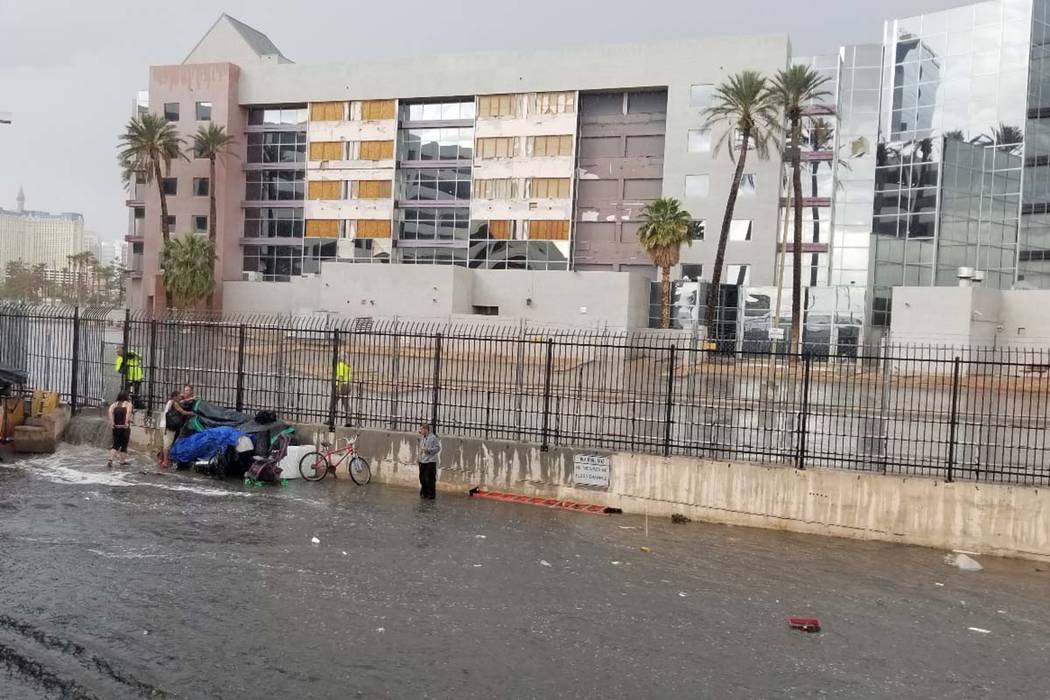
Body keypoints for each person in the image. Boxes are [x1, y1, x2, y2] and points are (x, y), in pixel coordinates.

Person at [107, 391, 133, 468]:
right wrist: (125, 423)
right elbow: (128, 413)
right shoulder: (128, 404)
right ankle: (122, 461)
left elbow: (110, 413)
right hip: (124, 427)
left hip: (116, 427)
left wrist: (113, 424)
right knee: (124, 445)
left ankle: (110, 460)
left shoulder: (114, 404)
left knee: (115, 445)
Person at [417, 423, 440, 500]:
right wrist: (419, 457)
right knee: (422, 478)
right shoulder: (422, 437)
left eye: (422, 429)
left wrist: (429, 450)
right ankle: (424, 492)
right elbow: (421, 448)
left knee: (430, 479)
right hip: (422, 461)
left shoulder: (433, 438)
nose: (420, 431)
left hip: (430, 461)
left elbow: (437, 448)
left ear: (426, 430)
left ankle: (431, 494)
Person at [159, 390, 180, 467]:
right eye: (179, 396)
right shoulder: (174, 403)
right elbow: (182, 411)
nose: (180, 398)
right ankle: (165, 461)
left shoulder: (169, 402)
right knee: (167, 445)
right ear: (175, 397)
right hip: (168, 426)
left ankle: (161, 459)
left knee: (162, 444)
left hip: (162, 424)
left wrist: (190, 399)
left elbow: (183, 401)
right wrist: (190, 413)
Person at [335, 354, 353, 425]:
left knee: (333, 403)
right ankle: (348, 421)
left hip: (342, 386)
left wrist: (339, 388)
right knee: (346, 403)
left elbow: (341, 377)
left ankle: (331, 419)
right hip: (348, 385)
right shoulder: (348, 365)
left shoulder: (341, 365)